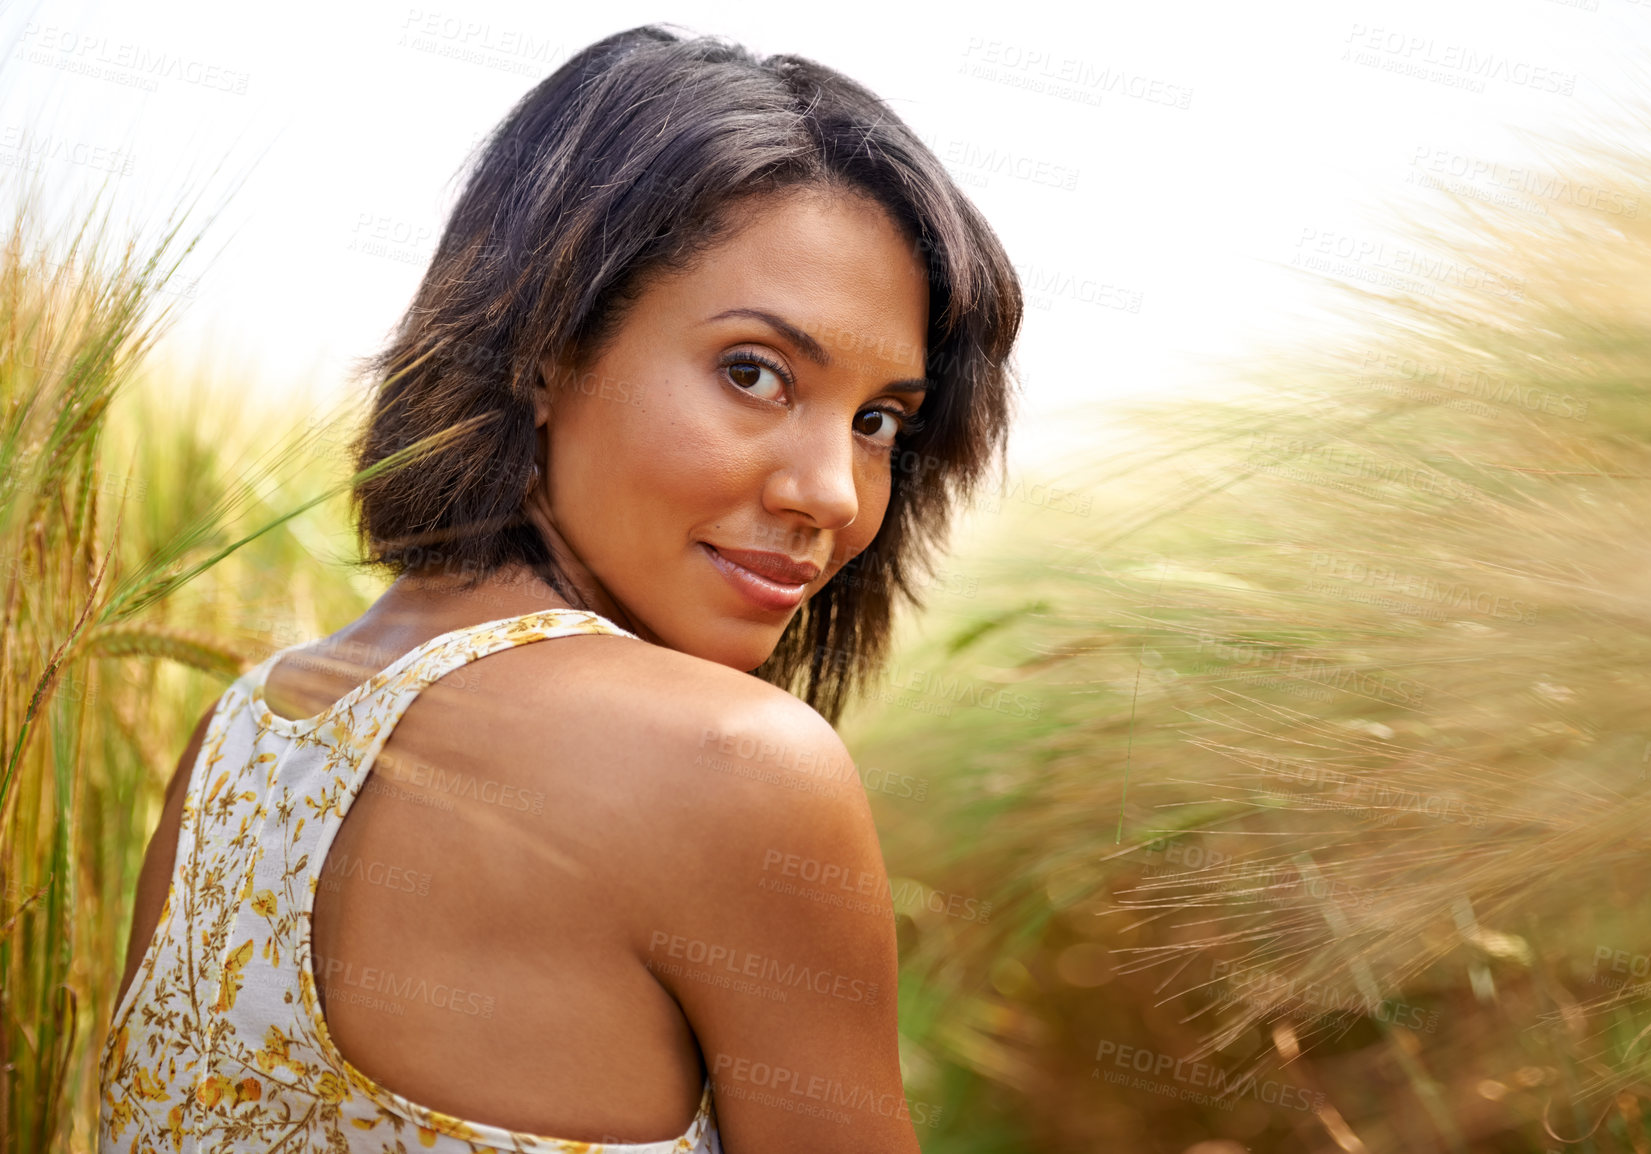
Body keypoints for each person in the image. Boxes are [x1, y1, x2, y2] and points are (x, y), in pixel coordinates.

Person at [98, 23, 1020, 1154]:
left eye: (878, 420)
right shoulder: (738, 766)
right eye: (753, 372)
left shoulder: (236, 734)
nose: (832, 491)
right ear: (545, 346)